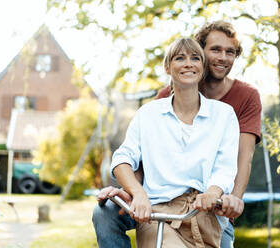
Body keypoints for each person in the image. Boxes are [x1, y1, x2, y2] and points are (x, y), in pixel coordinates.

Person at [93, 20, 262, 248]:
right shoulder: (153, 110)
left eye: (229, 52)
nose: (222, 57)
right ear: (168, 67)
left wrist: (226, 199)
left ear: (201, 65)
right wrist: (134, 191)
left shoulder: (228, 111)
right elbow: (134, 156)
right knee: (104, 211)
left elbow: (237, 160)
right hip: (158, 207)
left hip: (207, 207)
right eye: (215, 50)